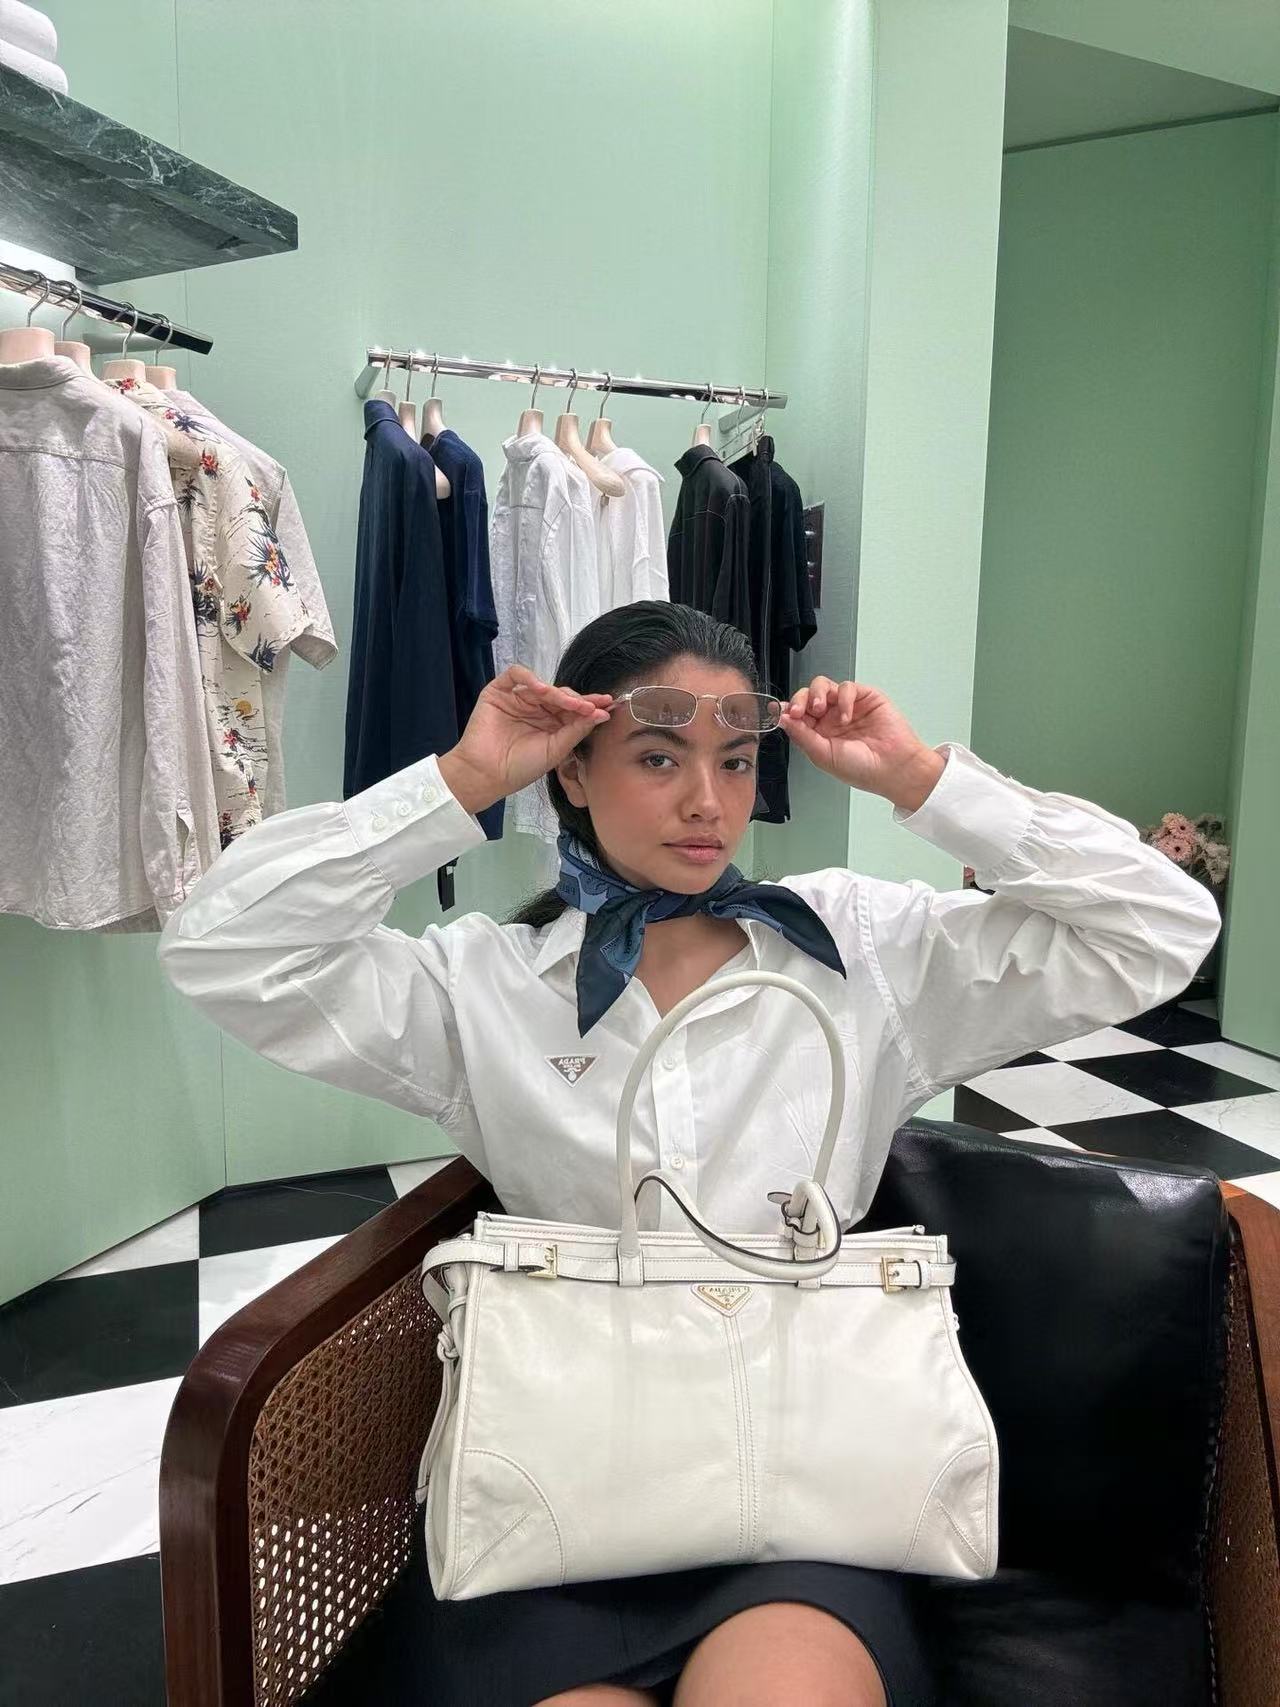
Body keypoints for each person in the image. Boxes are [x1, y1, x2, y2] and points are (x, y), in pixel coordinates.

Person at [157, 600, 1220, 1707]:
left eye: (735, 760)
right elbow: (225, 946)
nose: (708, 801)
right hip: (552, 1502)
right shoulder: (483, 988)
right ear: (573, 771)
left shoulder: (864, 953)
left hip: (809, 1506)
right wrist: (462, 781)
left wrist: (922, 780)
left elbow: (1160, 928)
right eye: (658, 758)